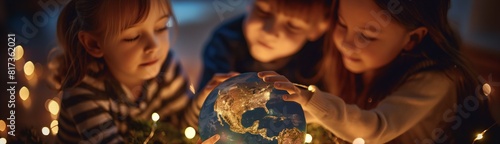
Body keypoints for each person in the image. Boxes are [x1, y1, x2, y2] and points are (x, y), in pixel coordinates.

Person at [259, 0, 493, 143]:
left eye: (367, 35)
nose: (347, 43)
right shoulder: (359, 60)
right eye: (341, 23)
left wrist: (312, 101)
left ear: (412, 39)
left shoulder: (438, 81)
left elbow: (375, 128)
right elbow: (342, 116)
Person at [51, 0, 218, 143]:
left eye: (161, 27)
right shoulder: (83, 91)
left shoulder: (167, 65)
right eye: (133, 37)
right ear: (94, 44)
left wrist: (203, 101)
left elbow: (180, 127)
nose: (154, 46)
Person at [197, 0, 334, 93]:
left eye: (293, 26)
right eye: (263, 12)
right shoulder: (225, 42)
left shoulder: (323, 59)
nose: (270, 32)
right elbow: (203, 109)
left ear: (319, 29)